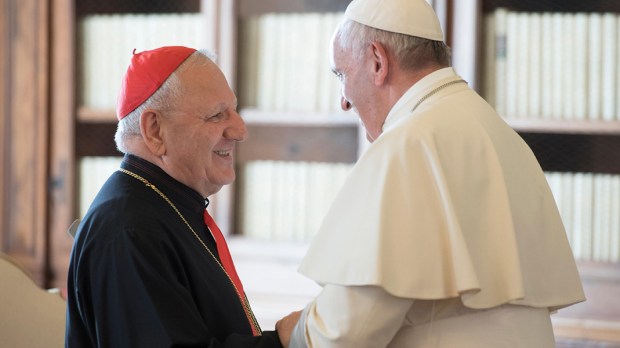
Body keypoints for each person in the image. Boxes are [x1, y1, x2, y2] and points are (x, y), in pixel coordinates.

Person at [275, 0, 586, 347]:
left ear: (377, 62)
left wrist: (297, 331)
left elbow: (347, 331)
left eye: (342, 75)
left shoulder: (408, 145)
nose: (344, 101)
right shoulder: (498, 132)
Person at [66, 46, 284, 347]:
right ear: (155, 130)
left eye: (234, 110)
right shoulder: (128, 229)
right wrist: (284, 341)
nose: (240, 130)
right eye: (217, 115)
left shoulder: (171, 206)